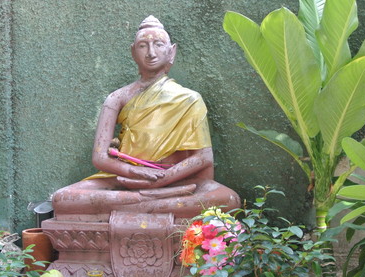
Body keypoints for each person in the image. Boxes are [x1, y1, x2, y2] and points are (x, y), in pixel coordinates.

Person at [51, 16, 240, 221]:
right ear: (133, 52)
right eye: (143, 46)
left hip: (176, 180)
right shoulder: (117, 98)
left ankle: (136, 203)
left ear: (171, 52)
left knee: (228, 199)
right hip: (126, 181)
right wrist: (134, 173)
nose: (151, 53)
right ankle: (148, 202)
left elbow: (203, 158)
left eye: (158, 45)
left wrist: (161, 179)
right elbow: (100, 158)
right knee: (62, 199)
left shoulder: (190, 99)